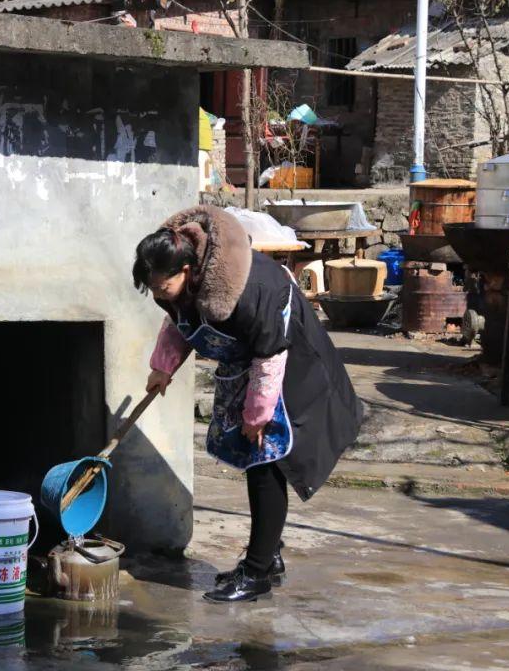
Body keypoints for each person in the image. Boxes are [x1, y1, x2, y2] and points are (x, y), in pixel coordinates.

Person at [134, 205, 362, 603]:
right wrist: (162, 367)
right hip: (252, 367)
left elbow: (271, 354)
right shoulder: (183, 282)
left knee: (266, 463)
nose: (157, 295)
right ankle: (266, 559)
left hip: (288, 369)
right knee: (256, 462)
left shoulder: (247, 289)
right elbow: (179, 320)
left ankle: (257, 573)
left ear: (186, 271)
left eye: (160, 287)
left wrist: (256, 416)